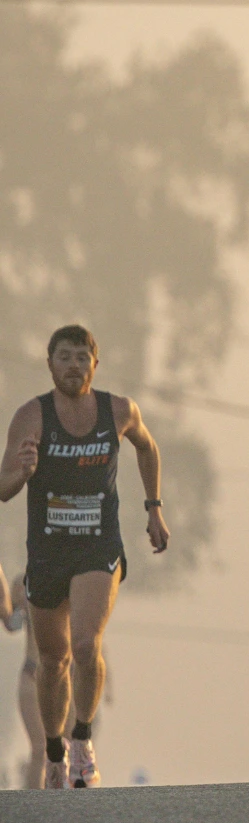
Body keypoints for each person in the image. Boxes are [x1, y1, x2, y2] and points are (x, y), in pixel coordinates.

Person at [0, 324, 170, 789]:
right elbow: (3, 487)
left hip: (98, 544)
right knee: (52, 661)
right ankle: (54, 751)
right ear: (50, 364)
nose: (73, 365)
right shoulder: (31, 417)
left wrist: (153, 509)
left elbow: (148, 447)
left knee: (84, 645)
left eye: (81, 357)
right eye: (64, 357)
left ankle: (81, 740)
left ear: (95, 363)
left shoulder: (118, 410)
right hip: (49, 549)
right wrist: (24, 470)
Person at [6, 572, 111, 789]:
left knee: (73, 744)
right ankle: (35, 805)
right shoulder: (22, 582)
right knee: (40, 747)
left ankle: (74, 803)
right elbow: (12, 623)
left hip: (67, 676)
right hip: (32, 674)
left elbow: (93, 638)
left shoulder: (77, 578)